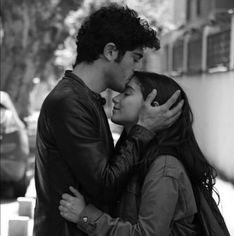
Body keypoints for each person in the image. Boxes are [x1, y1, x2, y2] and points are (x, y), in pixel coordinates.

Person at [33, 4, 183, 236]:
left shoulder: (84, 99)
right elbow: (105, 186)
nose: (137, 68)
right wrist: (143, 129)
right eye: (135, 58)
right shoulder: (69, 102)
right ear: (111, 52)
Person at [59, 71, 219, 236]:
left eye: (127, 93)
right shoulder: (134, 153)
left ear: (154, 108)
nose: (115, 98)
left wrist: (85, 216)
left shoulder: (164, 166)